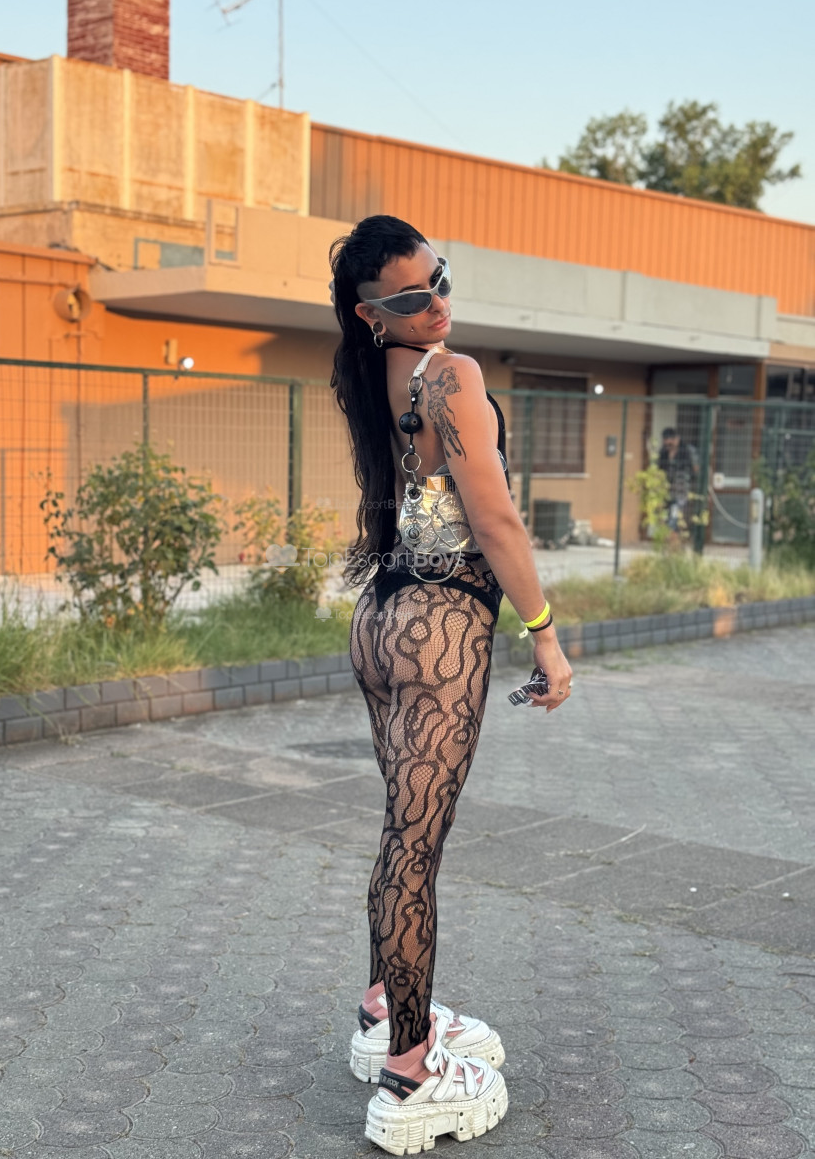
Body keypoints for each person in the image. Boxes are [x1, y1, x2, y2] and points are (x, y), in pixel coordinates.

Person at [329, 215, 573, 1154]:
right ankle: (411, 1070)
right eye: (410, 296)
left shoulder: (373, 376)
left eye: (441, 278)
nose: (436, 303)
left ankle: (384, 1007)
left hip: (382, 620)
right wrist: (545, 637)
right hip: (441, 630)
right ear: (371, 312)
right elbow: (495, 519)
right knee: (415, 850)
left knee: (402, 836)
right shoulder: (450, 374)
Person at [657, 426, 700, 533]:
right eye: (666, 440)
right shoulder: (663, 453)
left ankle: (674, 538)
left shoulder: (688, 451)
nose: (668, 443)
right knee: (665, 518)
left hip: (682, 491)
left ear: (677, 439)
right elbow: (659, 470)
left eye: (671, 440)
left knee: (674, 519)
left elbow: (696, 469)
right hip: (666, 492)